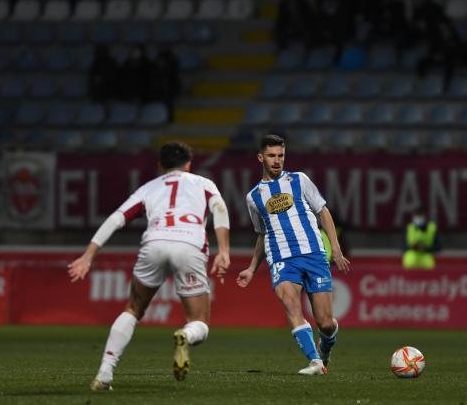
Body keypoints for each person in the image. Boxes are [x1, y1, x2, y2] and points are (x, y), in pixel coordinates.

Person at [68, 142, 231, 389]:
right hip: (189, 245)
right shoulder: (204, 184)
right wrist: (224, 250)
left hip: (154, 242)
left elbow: (116, 218)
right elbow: (220, 209)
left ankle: (104, 373)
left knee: (133, 309)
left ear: (159, 165)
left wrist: (89, 254)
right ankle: (185, 336)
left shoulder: (148, 188)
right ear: (189, 164)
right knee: (199, 321)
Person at [236, 135, 351, 375]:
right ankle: (315, 362)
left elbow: (323, 212)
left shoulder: (299, 180)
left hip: (313, 253)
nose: (277, 161)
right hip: (281, 257)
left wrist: (336, 248)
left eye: (280, 156)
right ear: (261, 158)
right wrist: (251, 268)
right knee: (290, 302)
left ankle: (325, 351)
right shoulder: (254, 197)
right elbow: (262, 234)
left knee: (326, 323)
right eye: (271, 156)